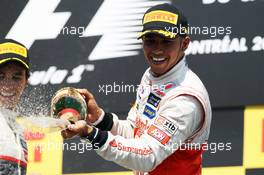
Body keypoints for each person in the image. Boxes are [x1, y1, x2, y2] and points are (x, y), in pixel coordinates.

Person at [62, 3, 212, 175]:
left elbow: (147, 156)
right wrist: (99, 119)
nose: (157, 49)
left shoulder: (185, 98)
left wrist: (91, 133)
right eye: (150, 40)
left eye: (166, 41)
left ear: (184, 44)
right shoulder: (152, 76)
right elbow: (136, 134)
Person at [0, 39, 30, 175]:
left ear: (26, 82)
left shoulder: (18, 130)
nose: (8, 85)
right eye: (1, 76)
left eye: (16, 78)